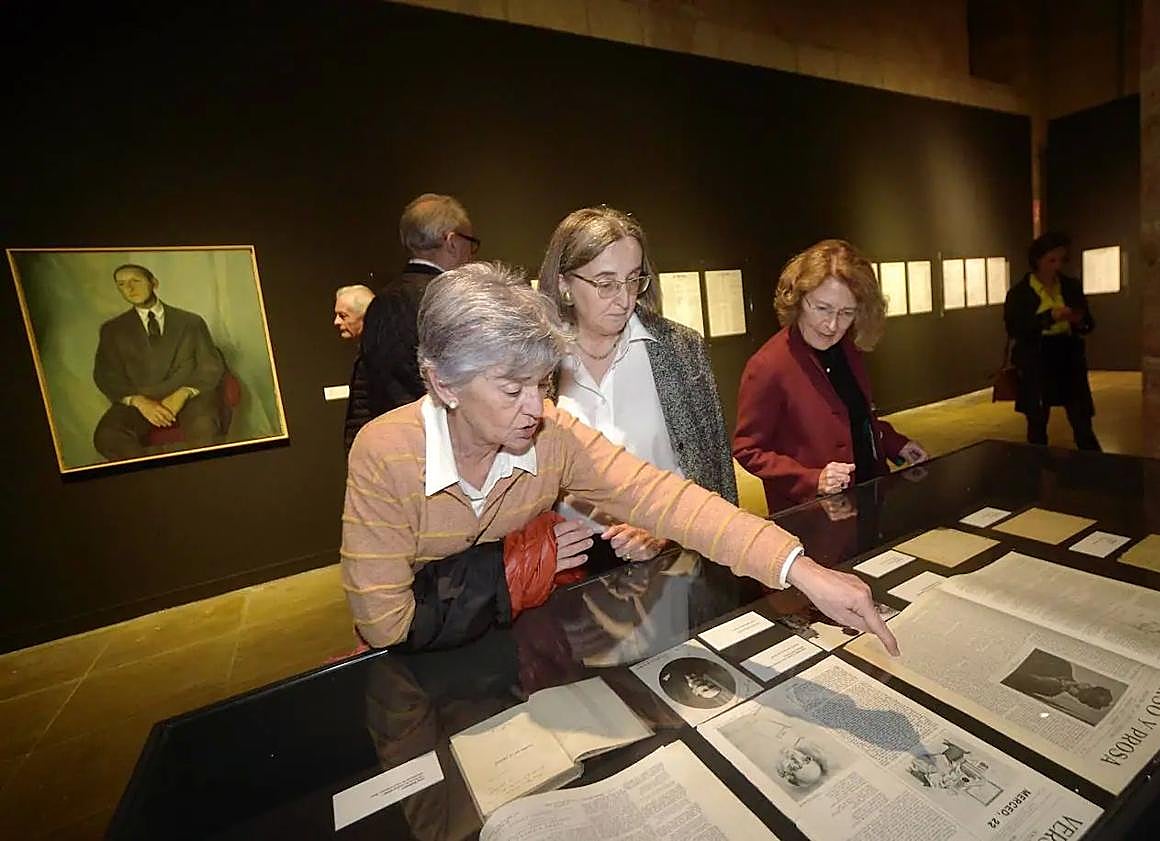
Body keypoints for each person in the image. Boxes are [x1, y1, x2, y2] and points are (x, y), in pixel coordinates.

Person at [341, 262, 899, 657]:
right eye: (512, 390)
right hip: (413, 667)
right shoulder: (385, 454)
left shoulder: (551, 435)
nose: (536, 408)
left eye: (541, 384)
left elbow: (667, 499)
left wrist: (802, 571)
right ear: (444, 383)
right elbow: (386, 624)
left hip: (510, 649)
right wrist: (517, 565)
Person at [537, 206, 737, 563]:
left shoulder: (680, 350)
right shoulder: (537, 363)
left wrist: (662, 530)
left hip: (671, 560)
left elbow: (710, 465)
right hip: (571, 567)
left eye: (633, 279)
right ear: (565, 285)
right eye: (606, 283)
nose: (624, 298)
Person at [734, 239, 927, 513]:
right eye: (823, 308)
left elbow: (853, 418)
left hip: (868, 498)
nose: (832, 325)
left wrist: (895, 444)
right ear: (798, 298)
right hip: (813, 515)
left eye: (846, 313)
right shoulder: (768, 366)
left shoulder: (848, 350)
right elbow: (749, 450)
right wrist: (813, 479)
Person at [360, 193, 478, 420]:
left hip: (391, 431)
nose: (471, 255)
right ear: (452, 242)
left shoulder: (379, 302)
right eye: (471, 244)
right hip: (446, 432)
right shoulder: (453, 299)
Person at [93, 263, 226, 460]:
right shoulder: (112, 330)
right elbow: (106, 375)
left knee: (204, 425)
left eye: (135, 281)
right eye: (122, 284)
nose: (129, 289)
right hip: (141, 401)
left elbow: (211, 365)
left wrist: (183, 393)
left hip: (189, 396)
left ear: (154, 283)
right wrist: (139, 402)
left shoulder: (190, 322)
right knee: (107, 436)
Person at [1004, 232, 1100, 450]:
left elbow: (1089, 323)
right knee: (1037, 423)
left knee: (1082, 421)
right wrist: (1049, 317)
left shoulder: (1069, 286)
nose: (1057, 266)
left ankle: (1096, 472)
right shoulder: (1020, 293)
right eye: (1051, 260)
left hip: (1068, 357)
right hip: (1037, 360)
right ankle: (1035, 473)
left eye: (1061, 260)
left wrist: (1078, 319)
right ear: (1037, 260)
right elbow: (1015, 328)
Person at [334, 283, 376, 452]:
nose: (336, 321)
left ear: (364, 316)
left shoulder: (377, 353)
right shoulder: (367, 351)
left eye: (343, 316)